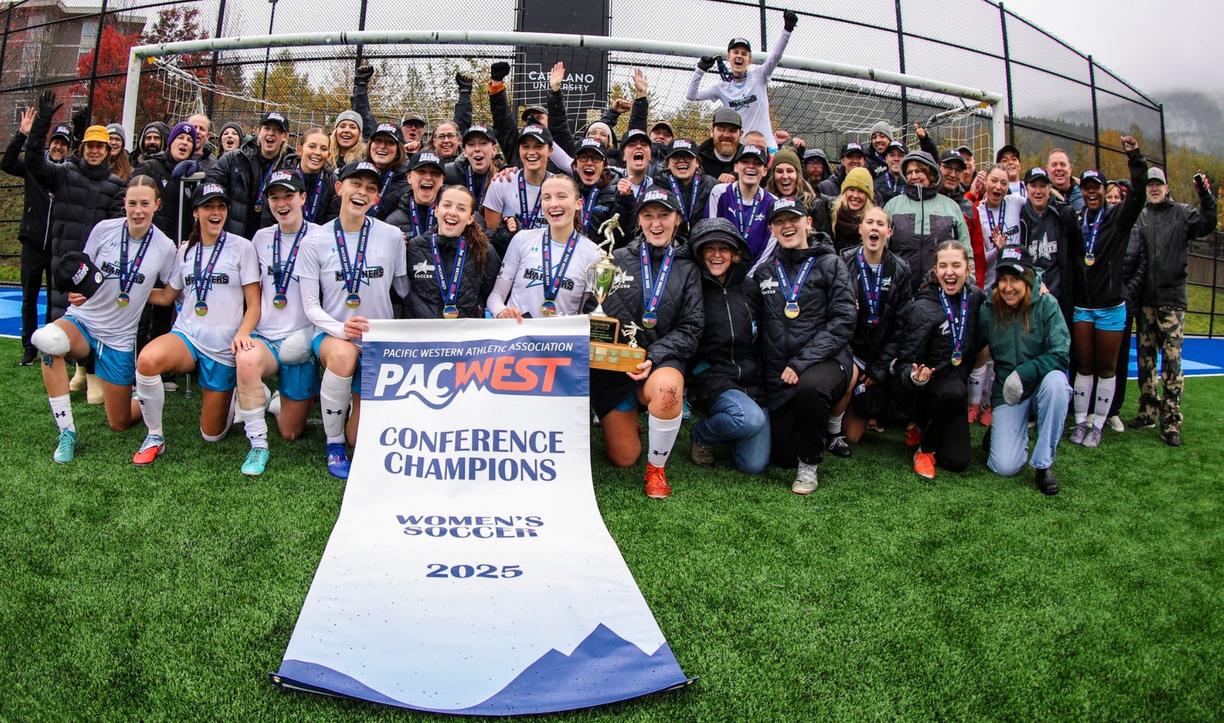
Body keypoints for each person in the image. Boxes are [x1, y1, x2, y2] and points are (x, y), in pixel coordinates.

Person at [30, 176, 179, 462]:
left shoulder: (165, 247)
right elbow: (83, 274)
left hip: (119, 338)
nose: (137, 210)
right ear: (124, 203)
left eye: (144, 204)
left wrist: (138, 291)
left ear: (156, 205)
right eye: (132, 203)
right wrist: (76, 292)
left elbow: (168, 296)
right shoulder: (104, 230)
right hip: (83, 321)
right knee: (49, 343)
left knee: (119, 423)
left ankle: (141, 399)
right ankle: (67, 432)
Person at [130, 183, 261, 466]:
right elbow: (167, 296)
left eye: (221, 207)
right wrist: (127, 291)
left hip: (224, 346)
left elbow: (255, 304)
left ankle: (236, 395)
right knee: (148, 360)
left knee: (211, 435)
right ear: (196, 213)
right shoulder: (185, 250)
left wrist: (242, 333)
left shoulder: (243, 247)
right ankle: (154, 436)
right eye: (208, 207)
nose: (215, 213)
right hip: (187, 336)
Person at [586, 188, 703, 499]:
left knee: (667, 391)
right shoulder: (614, 259)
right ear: (638, 220)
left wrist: (652, 355)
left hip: (659, 362)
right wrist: (606, 347)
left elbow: (692, 327)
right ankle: (631, 421)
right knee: (623, 458)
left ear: (677, 219)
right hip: (615, 368)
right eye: (648, 215)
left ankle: (657, 469)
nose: (656, 223)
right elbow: (592, 309)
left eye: (664, 215)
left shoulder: (688, 266)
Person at [297, 161, 409, 478]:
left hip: (376, 341)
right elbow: (309, 305)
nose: (362, 192)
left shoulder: (390, 237)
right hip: (334, 335)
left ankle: (345, 422)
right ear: (339, 188)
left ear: (376, 198)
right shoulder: (314, 240)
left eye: (371, 188)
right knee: (345, 355)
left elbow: (402, 289)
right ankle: (333, 444)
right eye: (355, 184)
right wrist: (340, 329)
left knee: (358, 439)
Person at [746, 197, 855, 494]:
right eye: (779, 221)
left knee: (812, 387)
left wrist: (801, 362)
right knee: (781, 457)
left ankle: (809, 465)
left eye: (793, 219)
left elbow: (844, 320)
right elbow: (757, 329)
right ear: (771, 229)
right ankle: (805, 441)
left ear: (808, 222)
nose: (787, 226)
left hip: (826, 361)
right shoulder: (765, 272)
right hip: (781, 371)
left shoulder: (831, 263)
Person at [24, 92, 126, 400]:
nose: (95, 151)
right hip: (63, 260)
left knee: (94, 317)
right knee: (63, 316)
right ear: (82, 149)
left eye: (100, 147)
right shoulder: (64, 173)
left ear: (108, 151)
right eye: (90, 146)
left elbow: (116, 231)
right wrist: (42, 123)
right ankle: (76, 371)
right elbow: (32, 163)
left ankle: (91, 371)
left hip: (94, 268)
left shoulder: (116, 186)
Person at [233, 170, 320, 476]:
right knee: (245, 360)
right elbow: (252, 293)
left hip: (301, 342)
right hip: (266, 338)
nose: (281, 203)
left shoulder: (320, 237)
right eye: (275, 197)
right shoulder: (261, 237)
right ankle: (258, 446)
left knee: (291, 432)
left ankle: (273, 399)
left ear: (303, 198)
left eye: (288, 196)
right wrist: (244, 330)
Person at [1066, 136, 1147, 450]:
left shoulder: (1117, 218)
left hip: (1111, 306)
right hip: (1083, 306)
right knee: (1083, 365)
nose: (1091, 192)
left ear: (1104, 190)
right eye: (1086, 187)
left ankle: (1098, 424)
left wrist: (1135, 158)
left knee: (1107, 367)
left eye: (1096, 186)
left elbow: (1137, 196)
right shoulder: (1077, 221)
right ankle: (1081, 420)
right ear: (1082, 192)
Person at [1131, 168, 1217, 446]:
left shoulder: (1182, 213)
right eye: (1150, 184)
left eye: (1159, 184)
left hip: (1172, 302)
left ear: (1167, 188)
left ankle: (1171, 423)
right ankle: (1147, 412)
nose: (1154, 188)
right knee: (1145, 362)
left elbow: (1207, 222)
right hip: (1145, 302)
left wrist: (1205, 194)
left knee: (1172, 363)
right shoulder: (1140, 217)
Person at [979, 245, 1071, 495]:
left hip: (1040, 384)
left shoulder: (1047, 304)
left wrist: (1025, 373)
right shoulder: (988, 309)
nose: (1008, 287)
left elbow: (1061, 355)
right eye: (1003, 280)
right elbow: (972, 345)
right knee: (1004, 466)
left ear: (1029, 278)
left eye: (1015, 279)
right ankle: (999, 431)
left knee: (1058, 385)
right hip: (1007, 391)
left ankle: (1043, 465)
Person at [896, 240, 986, 478]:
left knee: (957, 461)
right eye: (943, 266)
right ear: (935, 270)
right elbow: (903, 364)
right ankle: (924, 449)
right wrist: (915, 378)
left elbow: (1006, 303)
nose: (949, 272)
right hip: (926, 390)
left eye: (956, 265)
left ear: (967, 269)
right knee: (954, 390)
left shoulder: (977, 299)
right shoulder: (923, 307)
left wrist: (1038, 286)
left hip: (955, 393)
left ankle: (924, 428)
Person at [687, 218, 769, 474]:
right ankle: (702, 434)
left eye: (724, 249)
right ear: (700, 253)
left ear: (735, 254)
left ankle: (733, 426)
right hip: (714, 377)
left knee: (753, 465)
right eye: (709, 248)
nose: (716, 255)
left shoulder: (750, 287)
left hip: (752, 380)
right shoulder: (693, 287)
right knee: (749, 419)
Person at [830, 206, 912, 451]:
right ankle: (831, 427)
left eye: (880, 224)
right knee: (848, 376)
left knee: (853, 437)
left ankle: (857, 407)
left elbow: (901, 325)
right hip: (848, 348)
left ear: (889, 231)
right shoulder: (843, 261)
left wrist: (877, 369)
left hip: (876, 357)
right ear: (860, 229)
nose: (874, 227)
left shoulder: (901, 269)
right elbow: (831, 313)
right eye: (869, 222)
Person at [4, 110, 69, 366]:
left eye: (64, 144)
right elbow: (7, 163)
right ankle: (29, 348)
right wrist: (22, 134)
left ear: (68, 149)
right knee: (29, 298)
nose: (58, 146)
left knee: (55, 299)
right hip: (32, 242)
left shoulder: (69, 175)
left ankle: (50, 348)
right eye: (56, 142)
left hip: (57, 245)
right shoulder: (33, 167)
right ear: (49, 143)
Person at [488, 175, 601, 320]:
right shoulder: (522, 239)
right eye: (547, 198)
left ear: (578, 203)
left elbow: (585, 314)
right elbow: (496, 295)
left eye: (561, 197)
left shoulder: (594, 254)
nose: (553, 204)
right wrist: (501, 311)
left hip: (559, 342)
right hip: (518, 338)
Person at [688, 10, 798, 153]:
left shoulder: (759, 76)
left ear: (749, 60)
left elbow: (775, 57)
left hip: (766, 147)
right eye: (736, 52)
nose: (740, 56)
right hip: (740, 150)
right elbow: (691, 96)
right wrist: (700, 70)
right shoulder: (721, 87)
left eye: (744, 54)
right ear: (729, 57)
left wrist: (787, 30)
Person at [402, 185, 499, 319]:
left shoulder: (483, 250)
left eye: (461, 208)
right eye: (447, 205)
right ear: (436, 210)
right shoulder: (414, 247)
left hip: (465, 335)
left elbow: (493, 296)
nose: (453, 212)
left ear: (471, 218)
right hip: (422, 335)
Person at [883, 149, 971, 294]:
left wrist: (969, 278)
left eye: (918, 171)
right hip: (899, 290)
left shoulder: (951, 207)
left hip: (940, 290)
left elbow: (965, 248)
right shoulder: (893, 206)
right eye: (909, 172)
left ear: (930, 173)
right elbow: (883, 248)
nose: (913, 176)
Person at [204, 110, 299, 239]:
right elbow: (210, 182)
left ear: (285, 137)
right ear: (259, 131)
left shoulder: (292, 166)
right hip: (235, 236)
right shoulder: (235, 158)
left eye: (277, 130)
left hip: (271, 240)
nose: (271, 133)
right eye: (267, 128)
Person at [1018, 167, 1077, 325]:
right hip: (1030, 296)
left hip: (1060, 296)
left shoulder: (1062, 214)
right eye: (1033, 185)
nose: (1038, 191)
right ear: (1026, 188)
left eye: (1042, 186)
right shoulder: (1019, 216)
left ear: (1049, 188)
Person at [482, 125, 553, 254]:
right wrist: (505, 235)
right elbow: (491, 236)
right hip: (510, 260)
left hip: (548, 261)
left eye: (538, 146)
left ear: (550, 151)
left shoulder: (559, 187)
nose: (531, 152)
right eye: (526, 146)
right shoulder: (501, 183)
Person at [706, 145, 775, 259]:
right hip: (721, 265)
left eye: (757, 163)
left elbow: (769, 247)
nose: (751, 166)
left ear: (765, 171)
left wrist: (752, 275)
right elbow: (711, 234)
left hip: (756, 272)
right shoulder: (719, 192)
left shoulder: (772, 203)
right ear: (736, 167)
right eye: (745, 162)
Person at [654, 138, 715, 238]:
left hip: (703, 243)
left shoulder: (711, 185)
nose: (681, 160)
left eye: (688, 156)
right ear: (668, 163)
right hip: (671, 245)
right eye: (676, 157)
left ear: (697, 162)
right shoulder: (658, 188)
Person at [567, 138, 621, 241]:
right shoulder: (565, 189)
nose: (589, 163)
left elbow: (623, 234)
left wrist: (627, 200)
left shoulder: (616, 192)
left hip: (601, 254)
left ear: (604, 165)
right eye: (583, 157)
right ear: (575, 163)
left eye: (596, 158)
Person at [386, 151, 445, 241]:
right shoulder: (392, 223)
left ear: (442, 181)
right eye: (421, 171)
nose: (428, 177)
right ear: (409, 177)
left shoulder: (452, 218)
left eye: (435, 173)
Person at [443, 124, 499, 217]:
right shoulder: (448, 174)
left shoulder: (503, 178)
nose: (477, 149)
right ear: (464, 152)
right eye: (471, 144)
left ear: (494, 150)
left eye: (483, 143)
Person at [287, 127, 338, 224]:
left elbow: (332, 221)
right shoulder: (284, 176)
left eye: (323, 149)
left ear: (328, 155)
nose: (317, 153)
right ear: (300, 150)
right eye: (312, 146)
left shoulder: (332, 181)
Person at [360, 123, 410, 221]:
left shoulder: (409, 180)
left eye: (390, 142)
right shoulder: (356, 172)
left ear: (398, 150)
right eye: (378, 140)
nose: (382, 146)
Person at [828, 167, 875, 253]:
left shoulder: (873, 222)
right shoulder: (829, 212)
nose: (855, 195)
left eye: (861, 191)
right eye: (851, 190)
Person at [696, 108, 743, 182]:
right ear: (712, 132)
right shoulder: (698, 159)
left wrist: (737, 176)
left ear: (741, 134)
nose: (726, 135)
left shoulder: (749, 160)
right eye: (721, 129)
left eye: (732, 130)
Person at [1047, 148, 1083, 212]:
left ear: (1070, 169)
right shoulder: (1041, 197)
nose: (1058, 168)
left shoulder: (1084, 193)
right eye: (1054, 165)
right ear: (1047, 170)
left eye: (1062, 164)